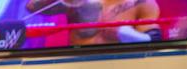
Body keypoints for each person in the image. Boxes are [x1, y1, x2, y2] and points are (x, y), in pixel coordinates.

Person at [24, 0, 161, 46]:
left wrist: (125, 35)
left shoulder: (142, 3)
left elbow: (154, 40)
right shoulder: (82, 2)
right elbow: (32, 7)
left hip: (117, 66)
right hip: (71, 65)